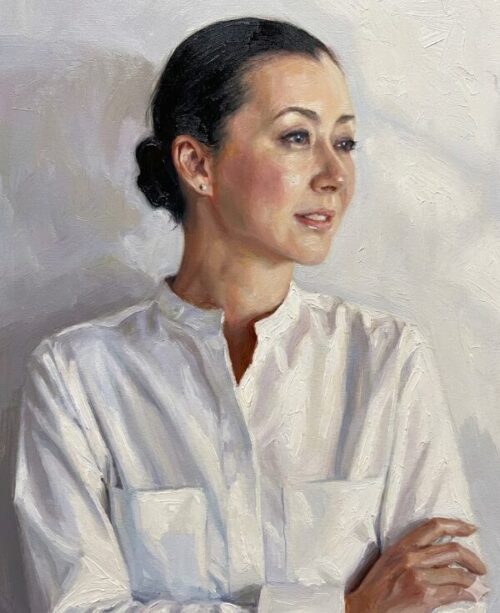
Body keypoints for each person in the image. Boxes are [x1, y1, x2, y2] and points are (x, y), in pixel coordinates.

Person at [14, 16, 489, 613]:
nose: (334, 175)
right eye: (297, 137)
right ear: (197, 164)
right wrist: (347, 607)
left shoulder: (387, 358)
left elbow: (447, 598)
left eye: (344, 142)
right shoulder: (76, 374)